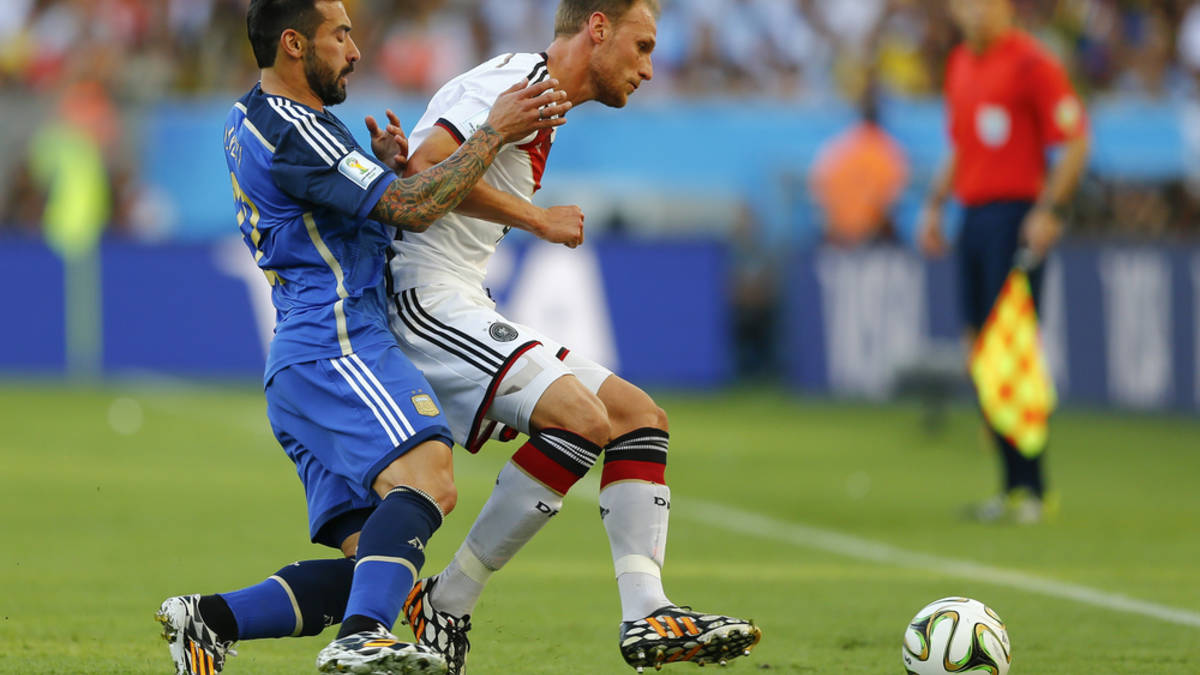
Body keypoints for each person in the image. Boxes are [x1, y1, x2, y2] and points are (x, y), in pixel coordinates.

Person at [154, 1, 569, 674]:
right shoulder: (294, 125)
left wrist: (377, 171)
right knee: (430, 475)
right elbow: (414, 207)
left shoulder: (251, 118)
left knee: (375, 562)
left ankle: (211, 620)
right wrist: (492, 133)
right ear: (294, 43)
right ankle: (361, 637)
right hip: (338, 338)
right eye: (340, 35)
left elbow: (346, 206)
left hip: (301, 355)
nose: (354, 51)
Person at [386, 1, 761, 672]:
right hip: (423, 295)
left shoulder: (544, 100)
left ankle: (646, 609)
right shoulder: (516, 79)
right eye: (642, 46)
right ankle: (446, 600)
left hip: (462, 294)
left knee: (637, 417)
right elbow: (422, 171)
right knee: (581, 419)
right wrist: (536, 219)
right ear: (598, 27)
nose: (648, 68)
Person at [917, 0, 1089, 524]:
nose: (974, 12)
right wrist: (935, 204)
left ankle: (1033, 487)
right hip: (973, 215)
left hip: (1015, 215)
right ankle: (1009, 486)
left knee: (1012, 349)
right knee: (980, 349)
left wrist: (1050, 210)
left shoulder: (1033, 63)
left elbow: (1075, 139)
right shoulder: (960, 64)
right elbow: (962, 144)